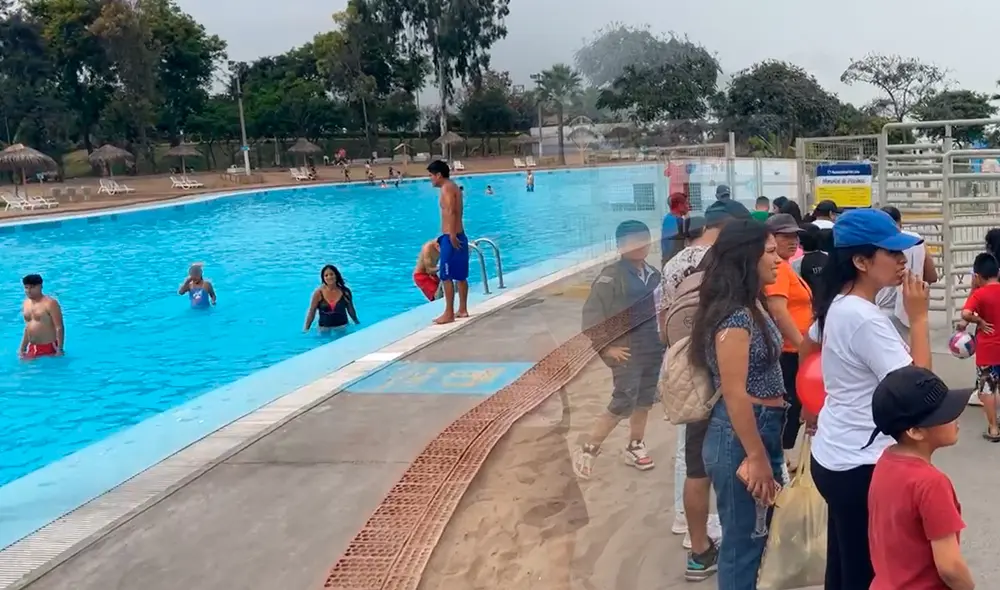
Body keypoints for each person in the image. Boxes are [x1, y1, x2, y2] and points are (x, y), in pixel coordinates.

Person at [802, 208, 930, 590]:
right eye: (892, 253)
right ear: (860, 261)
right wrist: (919, 319)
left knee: (844, 563)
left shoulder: (838, 305)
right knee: (869, 572)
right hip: (862, 465)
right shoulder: (864, 318)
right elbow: (919, 391)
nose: (902, 262)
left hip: (835, 452)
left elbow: (809, 344)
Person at [690, 219, 784, 590]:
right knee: (742, 546)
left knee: (755, 538)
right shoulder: (735, 317)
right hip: (742, 434)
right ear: (749, 257)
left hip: (759, 428)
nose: (779, 260)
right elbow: (735, 392)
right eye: (772, 252)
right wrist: (757, 457)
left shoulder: (750, 305)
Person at [658, 204, 749, 579]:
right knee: (738, 464)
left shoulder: (675, 266)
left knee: (695, 466)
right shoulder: (733, 273)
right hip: (728, 385)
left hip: (691, 380)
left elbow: (663, 322)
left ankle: (698, 549)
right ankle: (740, 547)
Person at [867, 366, 973, 590]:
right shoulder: (931, 483)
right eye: (945, 414)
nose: (956, 418)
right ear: (915, 431)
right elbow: (950, 567)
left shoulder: (885, 462)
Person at [575, 220, 663, 479]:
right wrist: (607, 347)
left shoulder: (654, 274)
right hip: (626, 351)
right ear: (620, 246)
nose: (639, 246)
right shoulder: (610, 277)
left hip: (652, 348)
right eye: (632, 242)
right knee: (623, 398)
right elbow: (591, 317)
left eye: (643, 240)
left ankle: (635, 445)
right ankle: (589, 448)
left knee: (645, 398)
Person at [763, 214, 811, 474]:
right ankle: (778, 463)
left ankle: (780, 460)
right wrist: (804, 345)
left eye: (795, 236)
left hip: (792, 351)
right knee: (788, 409)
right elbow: (779, 310)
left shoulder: (783, 265)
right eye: (785, 236)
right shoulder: (779, 269)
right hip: (789, 353)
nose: (793, 241)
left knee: (789, 408)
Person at [876, 205, 938, 339]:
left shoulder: (877, 243)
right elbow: (932, 276)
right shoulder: (917, 240)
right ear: (900, 222)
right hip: (911, 310)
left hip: (883, 311)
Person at [961, 252, 1000, 441]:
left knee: (988, 389)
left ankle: (993, 429)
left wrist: (979, 320)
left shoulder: (979, 294)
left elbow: (966, 313)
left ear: (976, 276)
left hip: (987, 351)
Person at [428, 160, 469, 324]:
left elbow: (451, 210)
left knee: (445, 275)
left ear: (438, 175)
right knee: (460, 275)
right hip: (460, 235)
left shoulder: (446, 188)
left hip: (451, 237)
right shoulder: (454, 187)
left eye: (431, 175)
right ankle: (463, 309)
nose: (430, 179)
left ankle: (449, 313)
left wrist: (450, 234)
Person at [19, 274, 64, 358]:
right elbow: (28, 327)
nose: (28, 291)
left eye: (32, 287)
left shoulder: (50, 303)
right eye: (26, 288)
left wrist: (59, 349)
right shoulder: (26, 303)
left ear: (40, 286)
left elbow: (59, 327)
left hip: (49, 347)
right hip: (32, 347)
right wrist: (22, 348)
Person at [303, 264, 359, 332]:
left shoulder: (345, 292)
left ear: (336, 275)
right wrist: (306, 329)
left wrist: (357, 323)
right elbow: (312, 312)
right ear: (323, 278)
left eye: (331, 274)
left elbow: (350, 309)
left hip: (342, 327)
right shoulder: (318, 293)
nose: (329, 277)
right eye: (326, 275)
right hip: (324, 328)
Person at [793, 222, 829, 295]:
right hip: (830, 298)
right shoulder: (828, 256)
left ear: (799, 241)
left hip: (810, 299)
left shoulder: (797, 263)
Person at [661, 192, 691, 267]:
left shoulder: (667, 218)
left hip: (667, 261)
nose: (688, 207)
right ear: (680, 206)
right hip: (674, 264)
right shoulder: (678, 222)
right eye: (686, 204)